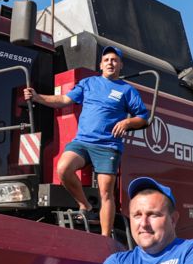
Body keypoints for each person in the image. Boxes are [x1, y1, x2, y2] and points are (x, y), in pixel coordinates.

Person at [23, 46, 148, 237]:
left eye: (114, 60)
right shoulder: (89, 83)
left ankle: (105, 240)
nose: (110, 63)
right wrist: (38, 97)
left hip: (108, 146)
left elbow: (143, 118)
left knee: (106, 193)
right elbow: (64, 99)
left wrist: (128, 121)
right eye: (106, 60)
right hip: (83, 142)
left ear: (120, 65)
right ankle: (85, 204)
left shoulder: (127, 90)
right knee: (64, 168)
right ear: (100, 65)